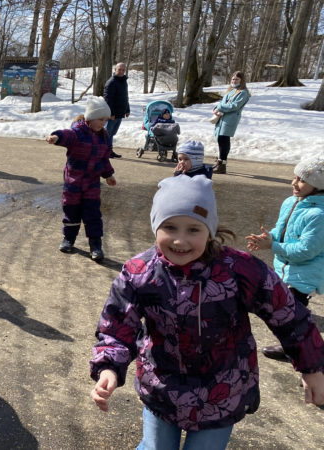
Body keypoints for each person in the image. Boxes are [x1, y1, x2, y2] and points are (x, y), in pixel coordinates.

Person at [90, 175, 324, 449]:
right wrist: (109, 368)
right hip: (161, 387)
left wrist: (312, 367)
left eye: (193, 229)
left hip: (222, 392)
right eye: (170, 227)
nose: (180, 240)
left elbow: (288, 315)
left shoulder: (240, 269)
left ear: (210, 230)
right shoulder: (139, 273)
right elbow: (117, 325)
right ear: (155, 227)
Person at [246, 154, 324, 361]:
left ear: (318, 185)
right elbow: (280, 229)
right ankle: (296, 344)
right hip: (286, 266)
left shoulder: (319, 215)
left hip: (306, 271)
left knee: (291, 314)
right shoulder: (291, 202)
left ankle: (298, 351)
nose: (294, 183)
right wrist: (268, 237)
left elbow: (306, 251)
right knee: (285, 309)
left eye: (302, 180)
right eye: (295, 177)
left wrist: (273, 246)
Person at [46, 96, 116, 262]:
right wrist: (56, 137)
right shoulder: (78, 133)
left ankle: (95, 245)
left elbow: (104, 159)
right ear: (90, 118)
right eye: (101, 119)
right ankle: (68, 239)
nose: (103, 123)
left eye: (106, 120)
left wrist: (108, 175)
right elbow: (67, 135)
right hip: (73, 183)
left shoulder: (104, 138)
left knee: (93, 214)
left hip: (92, 184)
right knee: (71, 212)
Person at [211, 71, 250, 175]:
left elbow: (234, 106)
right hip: (222, 117)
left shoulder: (243, 93)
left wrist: (219, 107)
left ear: (242, 81)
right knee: (220, 138)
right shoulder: (231, 90)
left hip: (230, 118)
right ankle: (219, 161)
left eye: (237, 79)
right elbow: (223, 103)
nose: (234, 81)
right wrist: (216, 108)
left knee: (224, 139)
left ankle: (222, 164)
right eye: (233, 79)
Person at [103, 62, 129, 159]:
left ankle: (109, 150)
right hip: (112, 114)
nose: (121, 71)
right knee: (106, 133)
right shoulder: (111, 82)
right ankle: (103, 150)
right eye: (119, 69)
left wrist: (127, 109)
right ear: (115, 70)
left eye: (123, 70)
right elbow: (108, 99)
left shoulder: (123, 81)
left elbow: (125, 97)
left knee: (112, 133)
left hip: (120, 112)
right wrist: (111, 113)